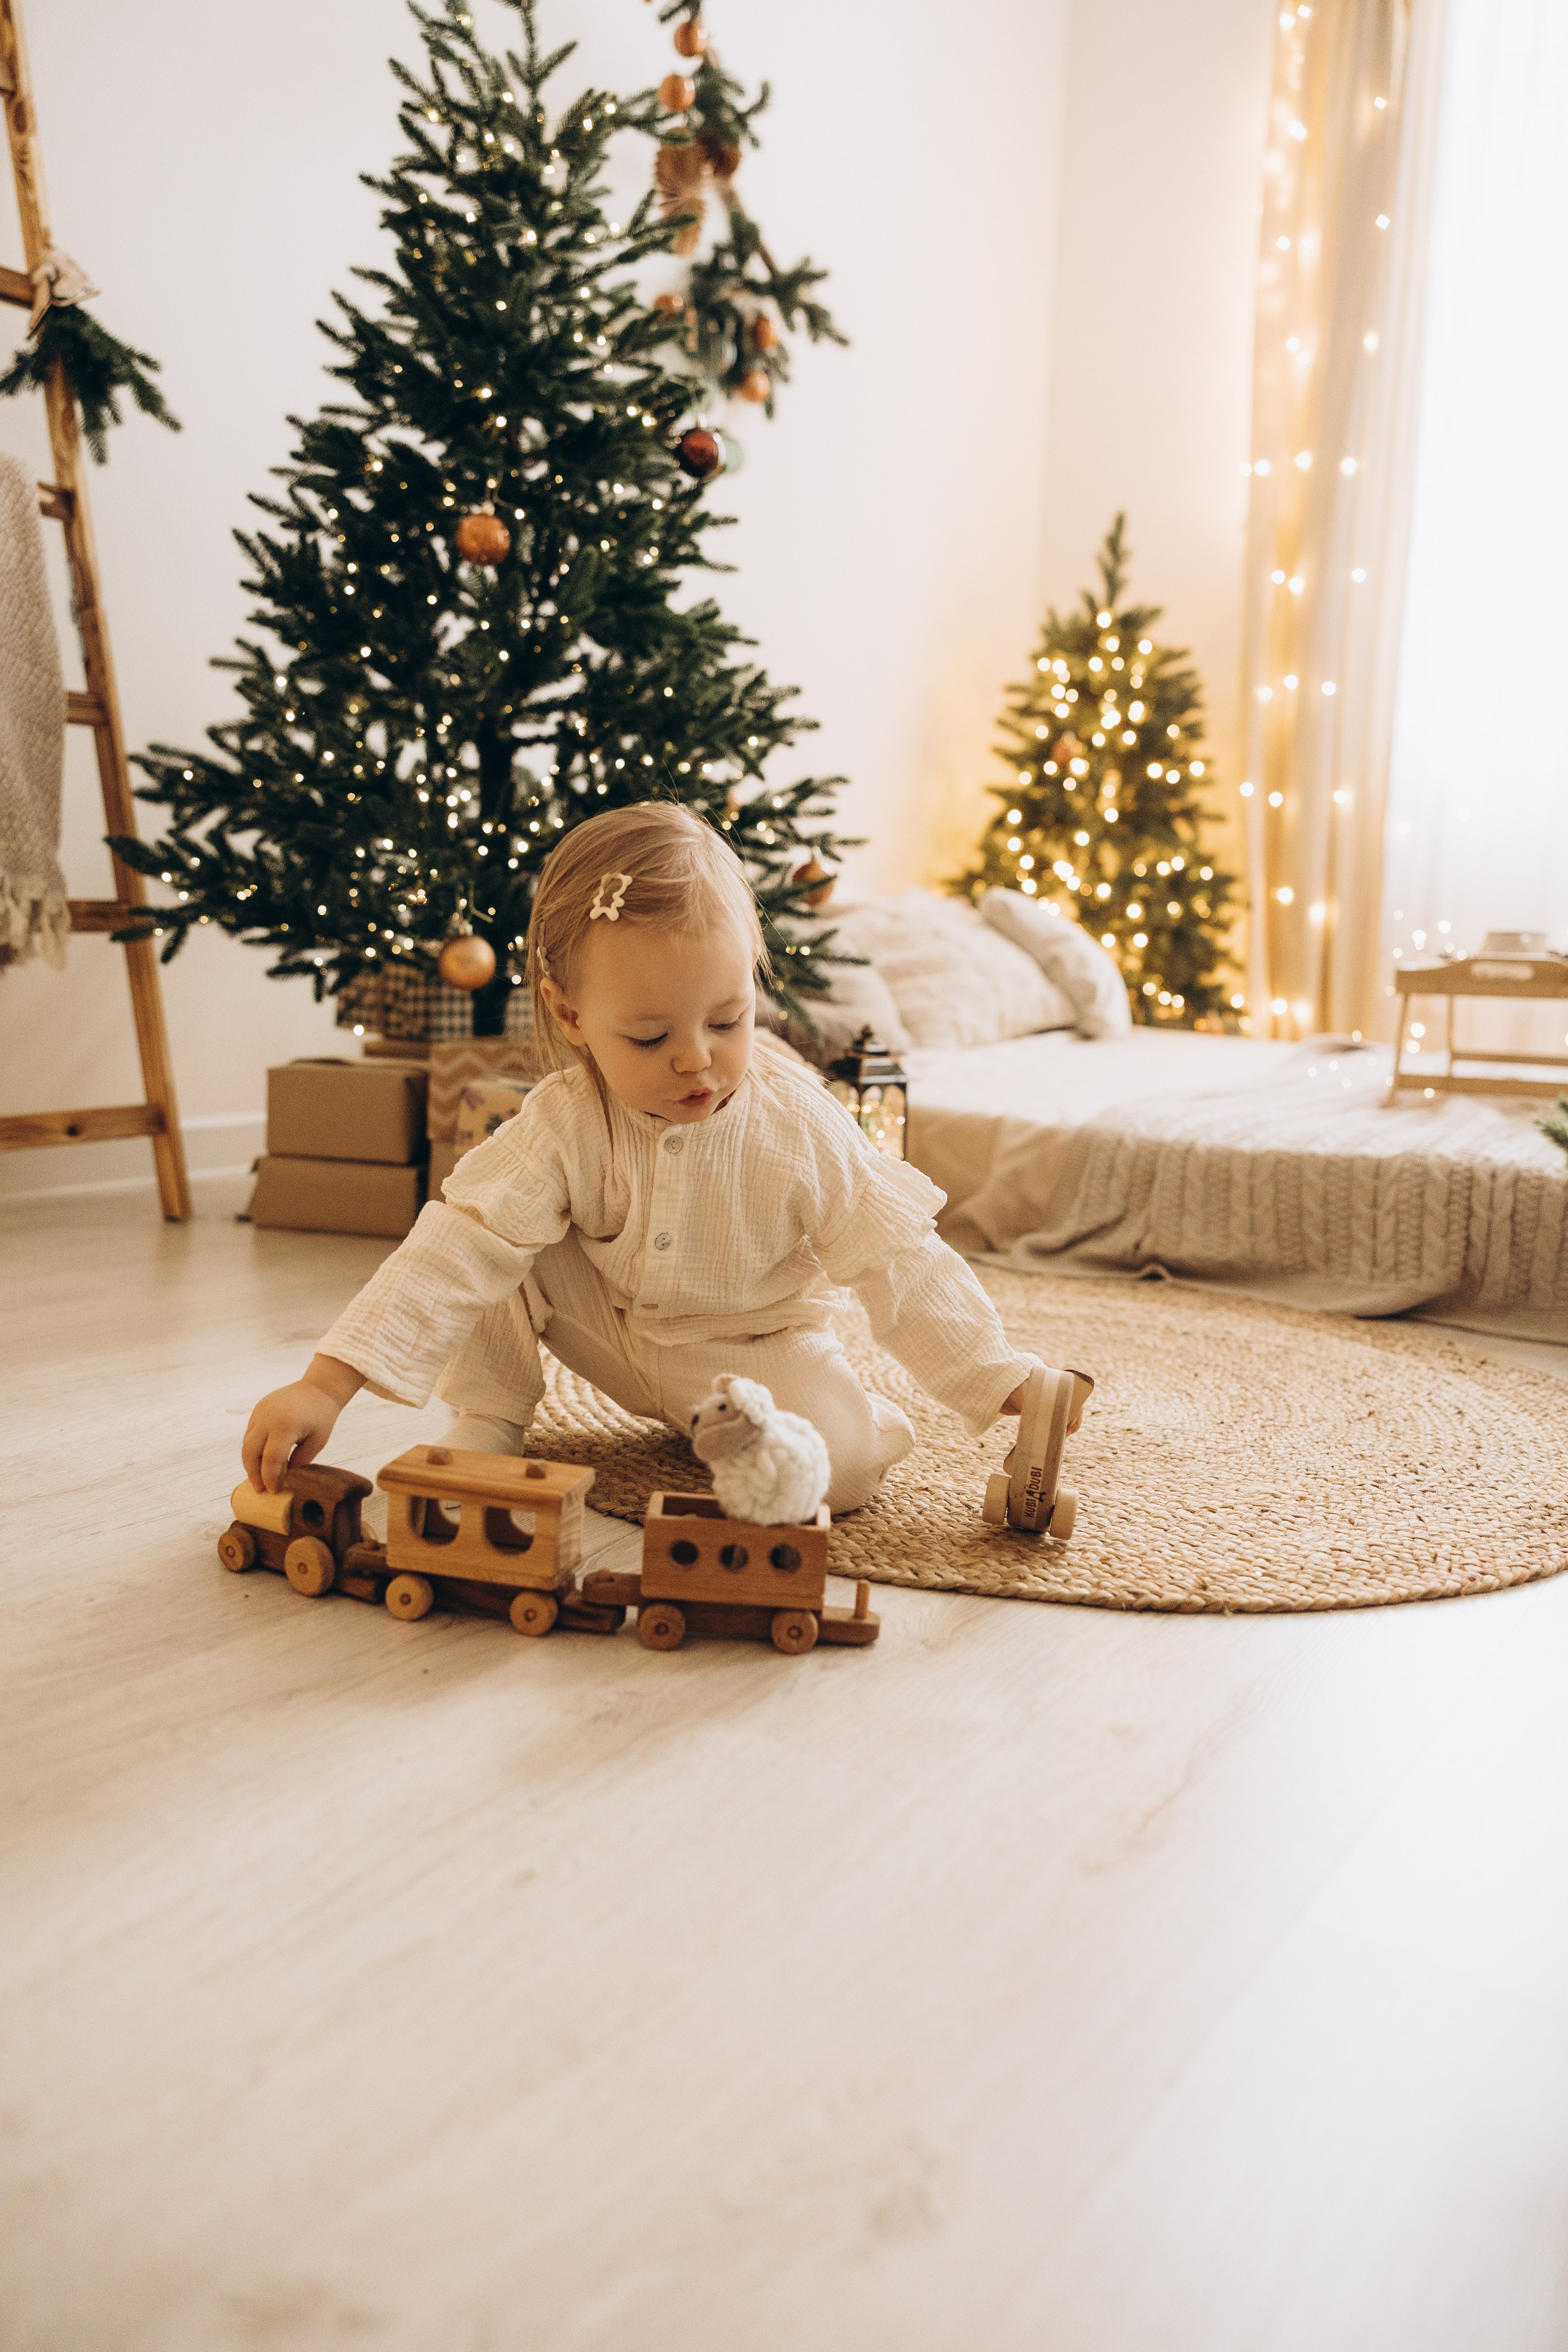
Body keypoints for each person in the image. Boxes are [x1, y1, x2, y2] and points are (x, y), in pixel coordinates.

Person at [243, 802, 1072, 1512]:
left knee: (837, 1478)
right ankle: (494, 1414)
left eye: (727, 1021)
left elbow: (903, 1264)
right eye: (648, 1036)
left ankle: (857, 1424)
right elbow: (452, 1250)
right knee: (489, 1226)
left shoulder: (800, 1125)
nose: (695, 1061)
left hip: (748, 1354)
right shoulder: (565, 1119)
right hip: (601, 1326)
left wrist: (996, 1374)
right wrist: (326, 1385)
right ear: (571, 1018)